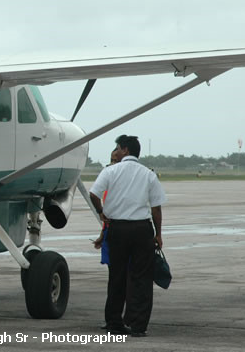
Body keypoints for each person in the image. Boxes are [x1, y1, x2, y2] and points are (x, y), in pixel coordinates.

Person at [89, 135, 165, 337]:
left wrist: (101, 212)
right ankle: (139, 326)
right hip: (142, 230)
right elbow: (156, 209)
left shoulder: (110, 171)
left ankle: (114, 323)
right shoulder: (149, 175)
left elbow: (94, 194)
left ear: (125, 150)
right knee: (141, 278)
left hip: (118, 229)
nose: (116, 151)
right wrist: (158, 234)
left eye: (118, 147)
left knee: (117, 277)